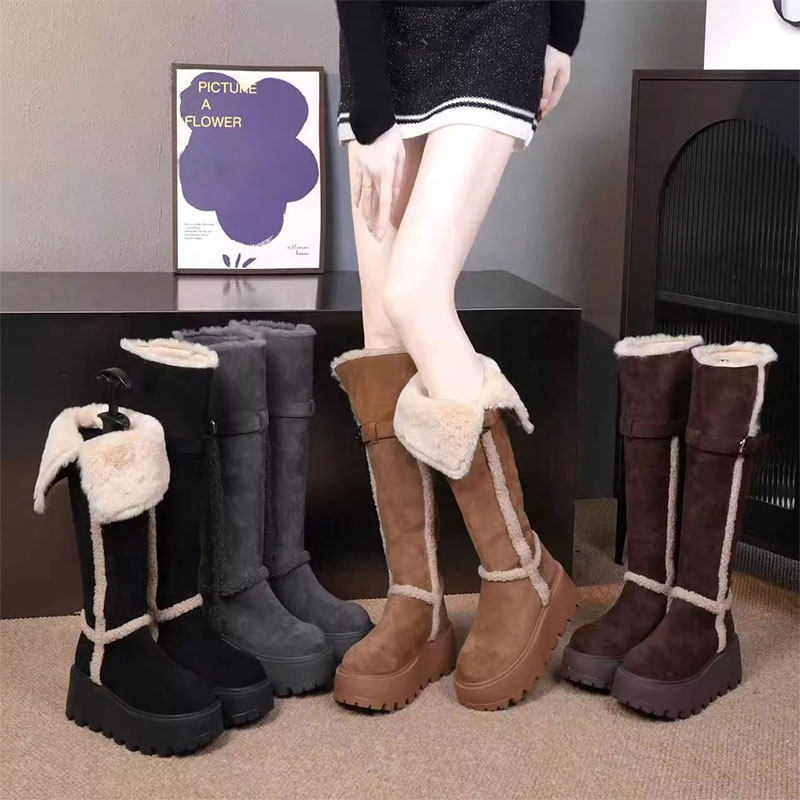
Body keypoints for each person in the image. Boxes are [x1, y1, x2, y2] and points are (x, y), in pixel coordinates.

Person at [330, 0, 585, 712]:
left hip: (494, 23)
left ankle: (517, 570)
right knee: (383, 331)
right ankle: (417, 601)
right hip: (381, 38)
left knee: (415, 294)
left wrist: (563, 31)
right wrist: (371, 111)